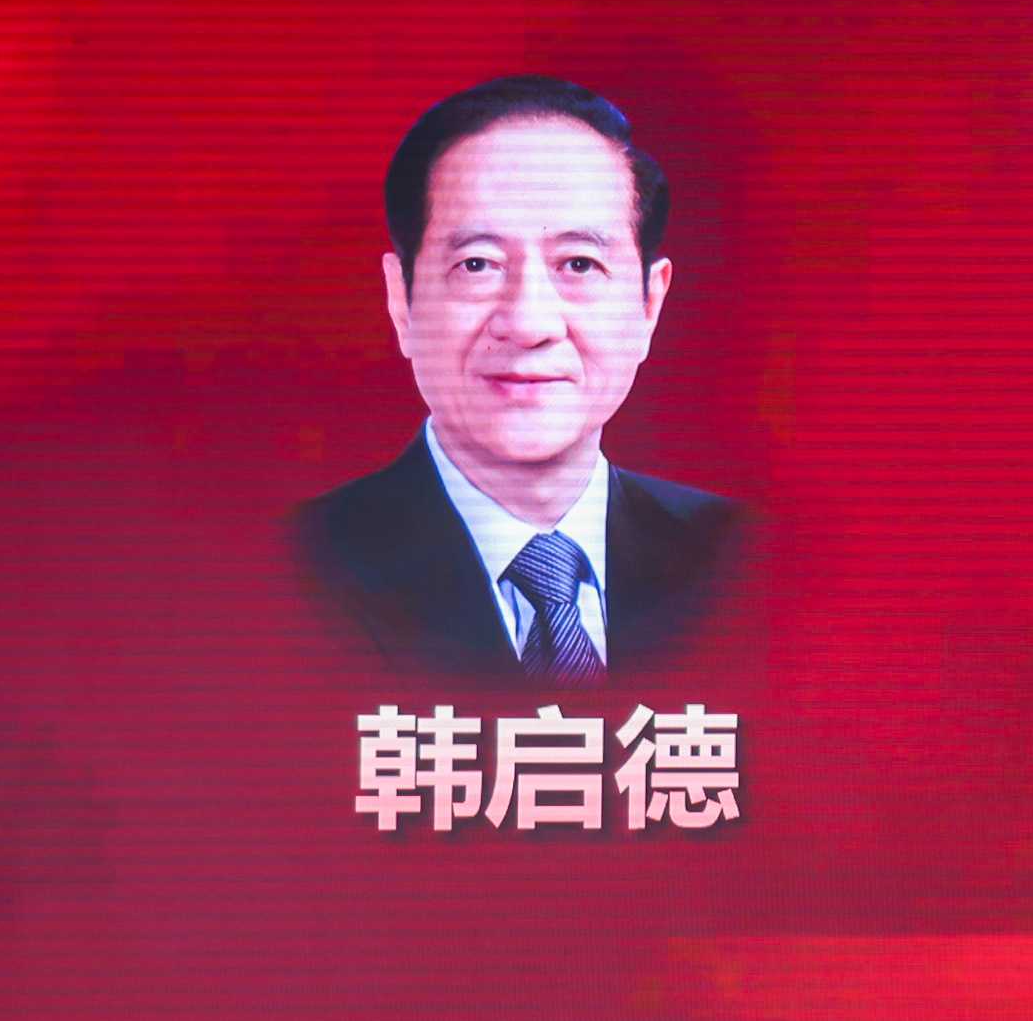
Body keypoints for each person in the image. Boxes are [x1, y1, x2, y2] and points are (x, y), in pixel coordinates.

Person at [297, 77, 745, 678]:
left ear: (648, 306)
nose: (529, 323)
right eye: (477, 264)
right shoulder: (281, 576)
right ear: (401, 301)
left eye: (579, 264)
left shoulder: (752, 567)